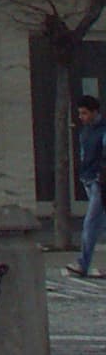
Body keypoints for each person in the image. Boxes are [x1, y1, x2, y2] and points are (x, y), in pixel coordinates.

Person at [68, 93, 105, 277]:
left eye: (84, 113)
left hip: (100, 181)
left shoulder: (103, 130)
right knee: (101, 223)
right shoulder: (86, 131)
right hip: (89, 180)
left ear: (94, 112)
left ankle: (83, 263)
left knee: (90, 222)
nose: (81, 117)